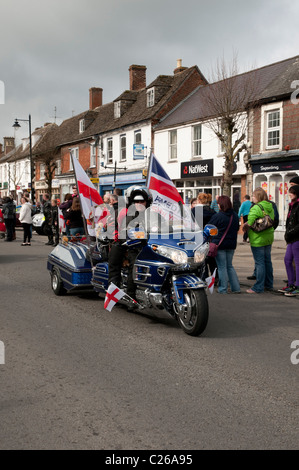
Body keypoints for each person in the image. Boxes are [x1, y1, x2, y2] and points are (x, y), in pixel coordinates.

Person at [107, 186, 152, 308]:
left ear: (147, 201)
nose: (139, 203)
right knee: (126, 261)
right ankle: (124, 294)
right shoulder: (129, 213)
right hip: (131, 244)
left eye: (141, 201)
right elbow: (126, 229)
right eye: (136, 201)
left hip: (149, 245)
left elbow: (164, 225)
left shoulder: (152, 213)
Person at [243, 187, 275, 293]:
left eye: (253, 196)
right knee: (267, 261)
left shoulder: (256, 208)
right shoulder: (270, 206)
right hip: (268, 237)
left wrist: (244, 226)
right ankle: (269, 284)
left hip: (258, 238)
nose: (252, 198)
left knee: (259, 263)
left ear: (258, 197)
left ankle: (258, 287)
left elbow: (250, 221)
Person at [209, 195, 240, 294]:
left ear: (221, 205)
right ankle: (236, 288)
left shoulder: (218, 216)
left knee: (222, 267)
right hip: (231, 244)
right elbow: (237, 229)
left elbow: (210, 229)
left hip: (220, 244)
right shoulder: (234, 215)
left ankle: (223, 288)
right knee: (229, 266)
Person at [277, 185, 299, 296]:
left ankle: (297, 286)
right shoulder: (292, 205)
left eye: (292, 192)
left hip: (297, 238)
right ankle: (291, 284)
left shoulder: (298, 206)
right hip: (291, 238)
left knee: (298, 262)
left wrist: (290, 232)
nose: (289, 194)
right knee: (287, 260)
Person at [192, 192, 217, 280]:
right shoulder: (213, 212)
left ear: (199, 200)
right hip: (210, 238)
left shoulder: (194, 211)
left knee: (201, 259)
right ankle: (215, 278)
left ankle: (203, 277)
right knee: (212, 259)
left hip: (198, 238)